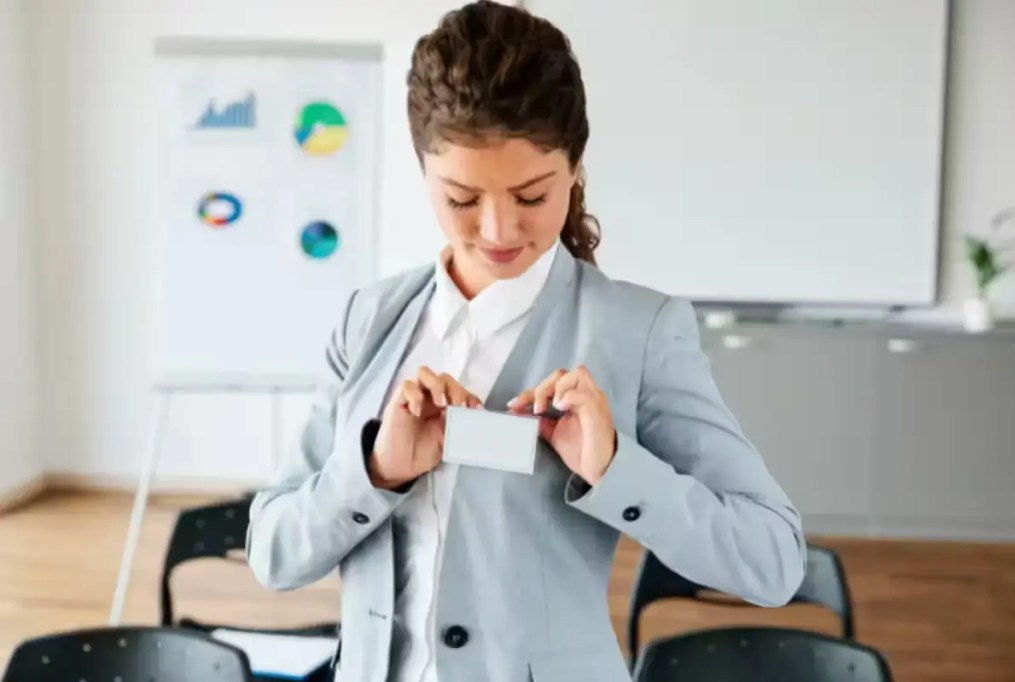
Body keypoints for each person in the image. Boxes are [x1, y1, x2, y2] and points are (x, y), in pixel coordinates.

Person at [245, 2, 806, 680]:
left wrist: (616, 469)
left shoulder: (640, 332)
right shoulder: (368, 320)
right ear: (423, 169)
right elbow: (273, 553)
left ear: (574, 168)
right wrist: (375, 471)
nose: (498, 230)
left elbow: (772, 561)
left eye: (533, 197)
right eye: (461, 199)